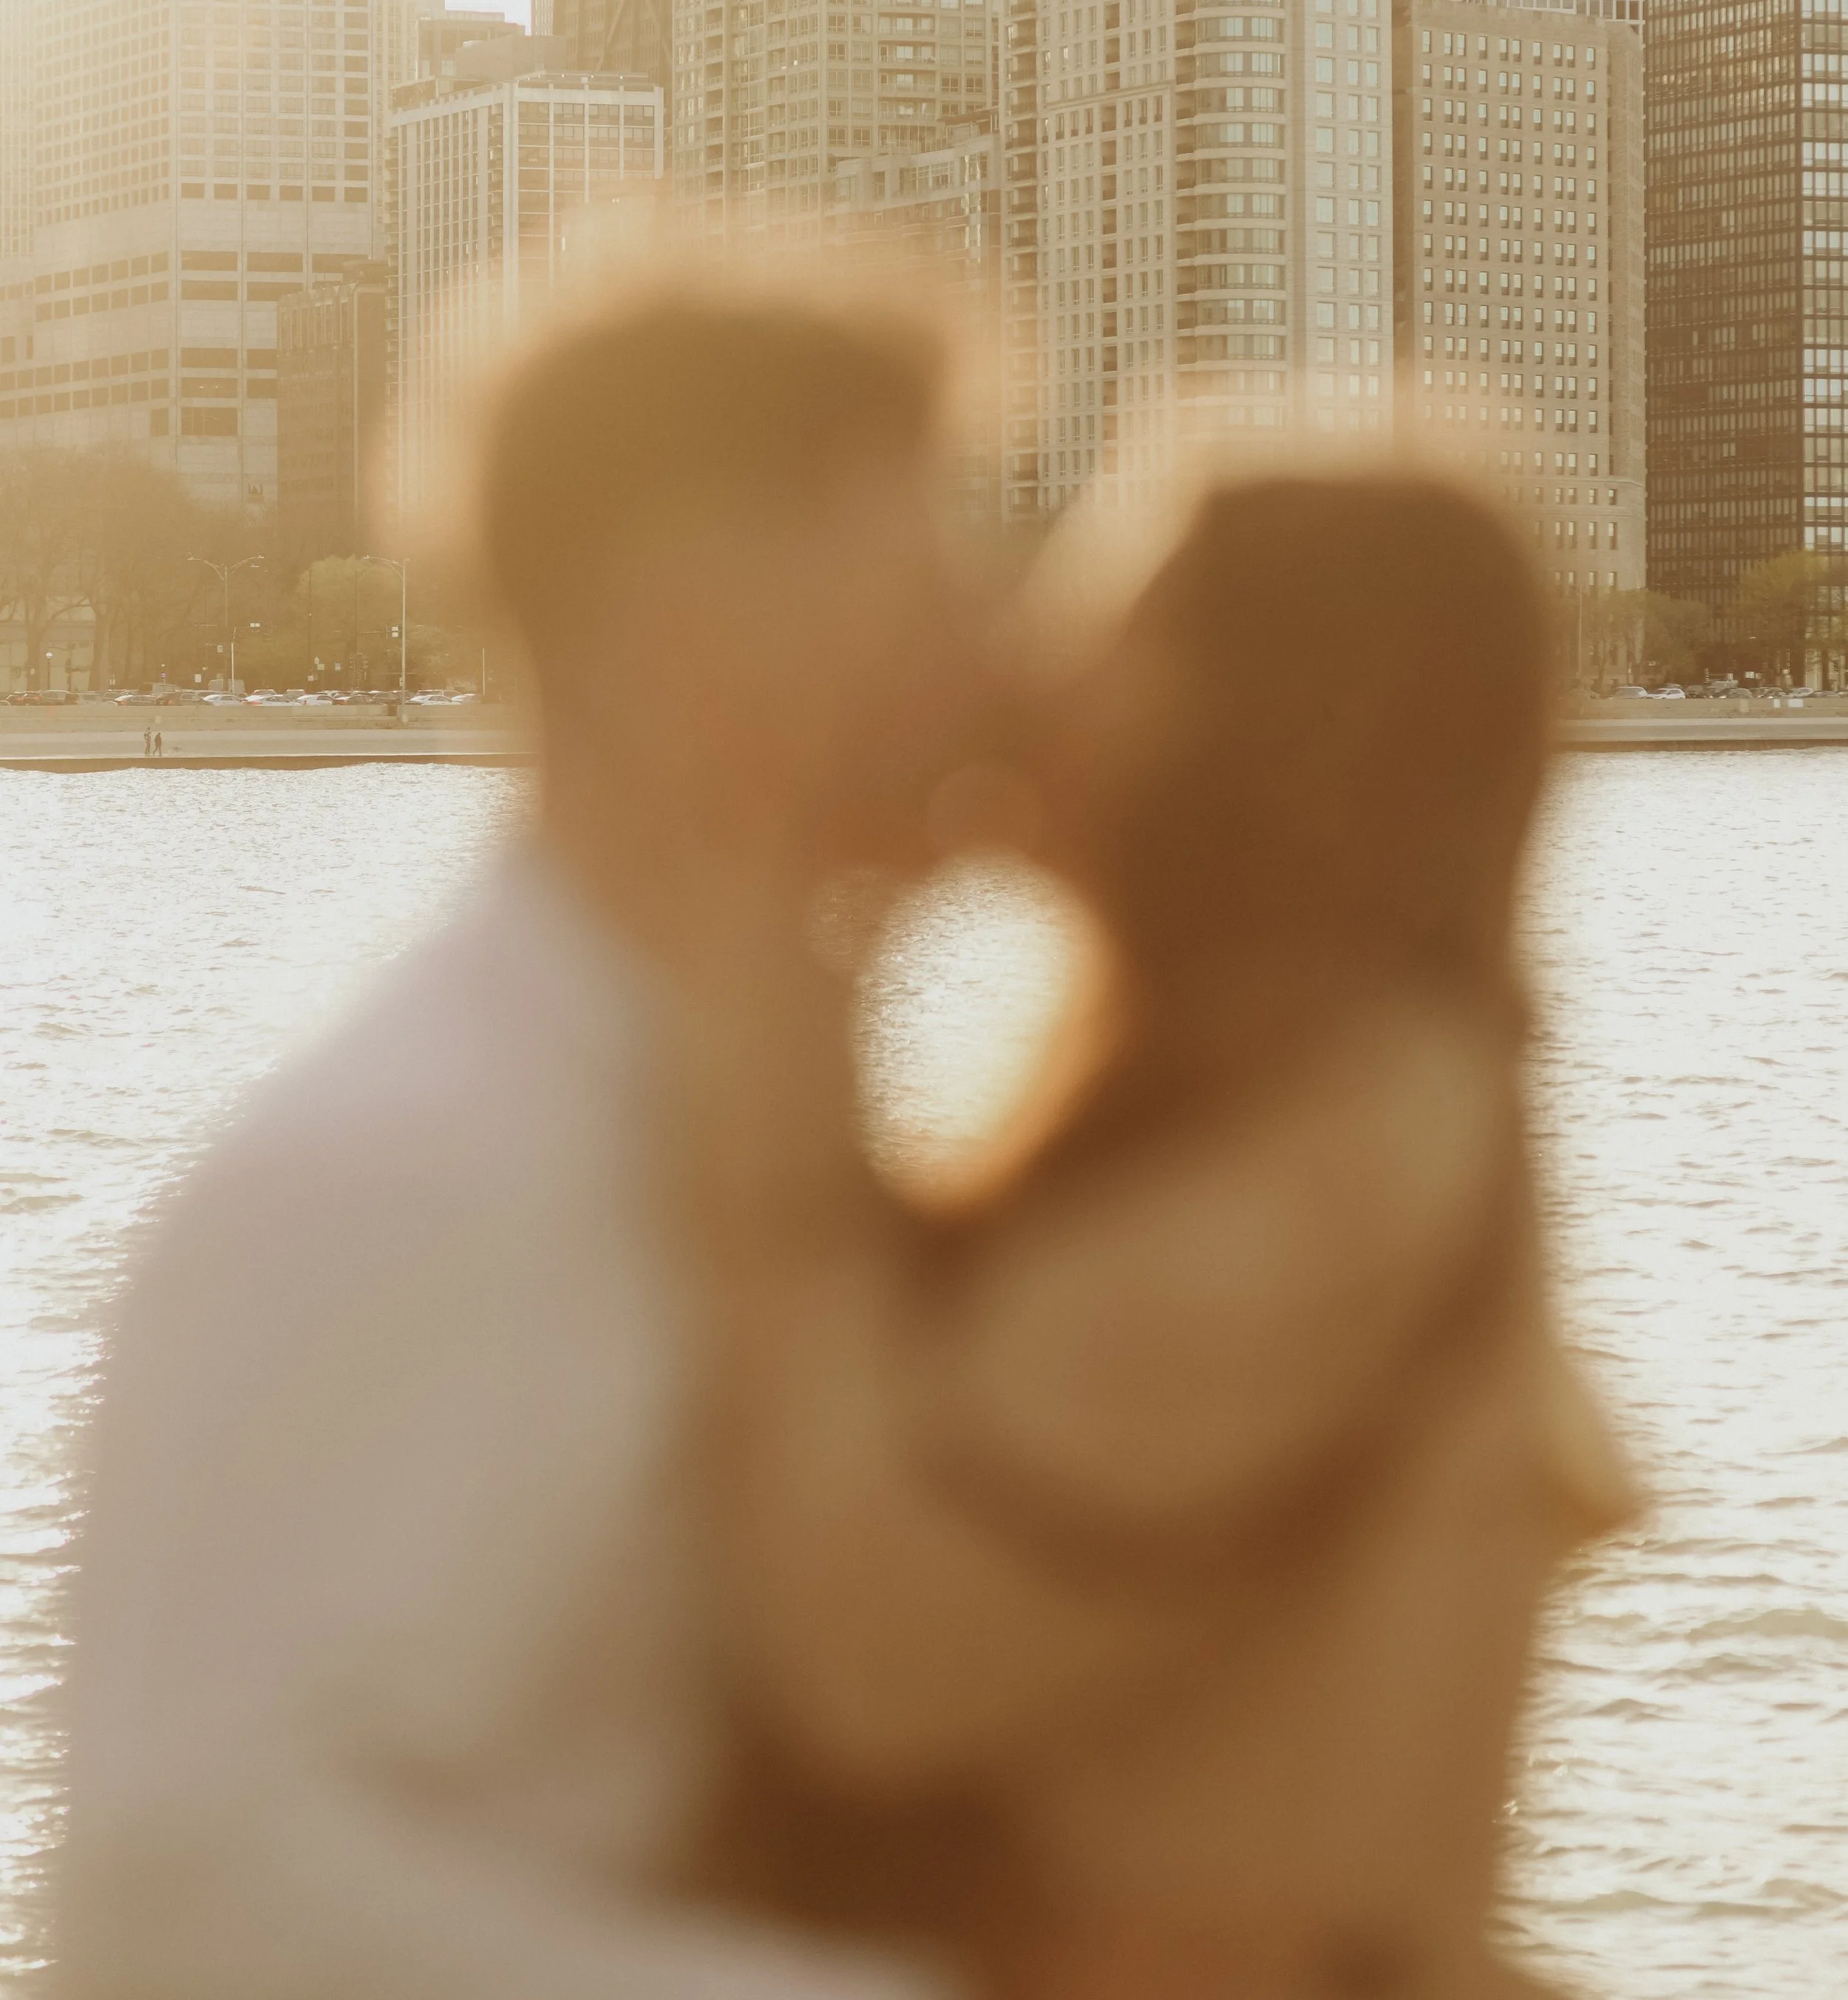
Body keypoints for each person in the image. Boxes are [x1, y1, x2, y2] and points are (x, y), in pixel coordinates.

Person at [55, 273, 999, 2000]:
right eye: (915, 578)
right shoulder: (404, 1169)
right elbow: (168, 1883)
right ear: (689, 637)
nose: (982, 649)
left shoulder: (742, 1119)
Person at [682, 470, 1634, 2000]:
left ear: (1264, 721)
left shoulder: (1333, 1177)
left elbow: (859, 1659)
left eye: (1101, 627)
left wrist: (791, 1047)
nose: (1027, 668)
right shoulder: (1359, 1100)